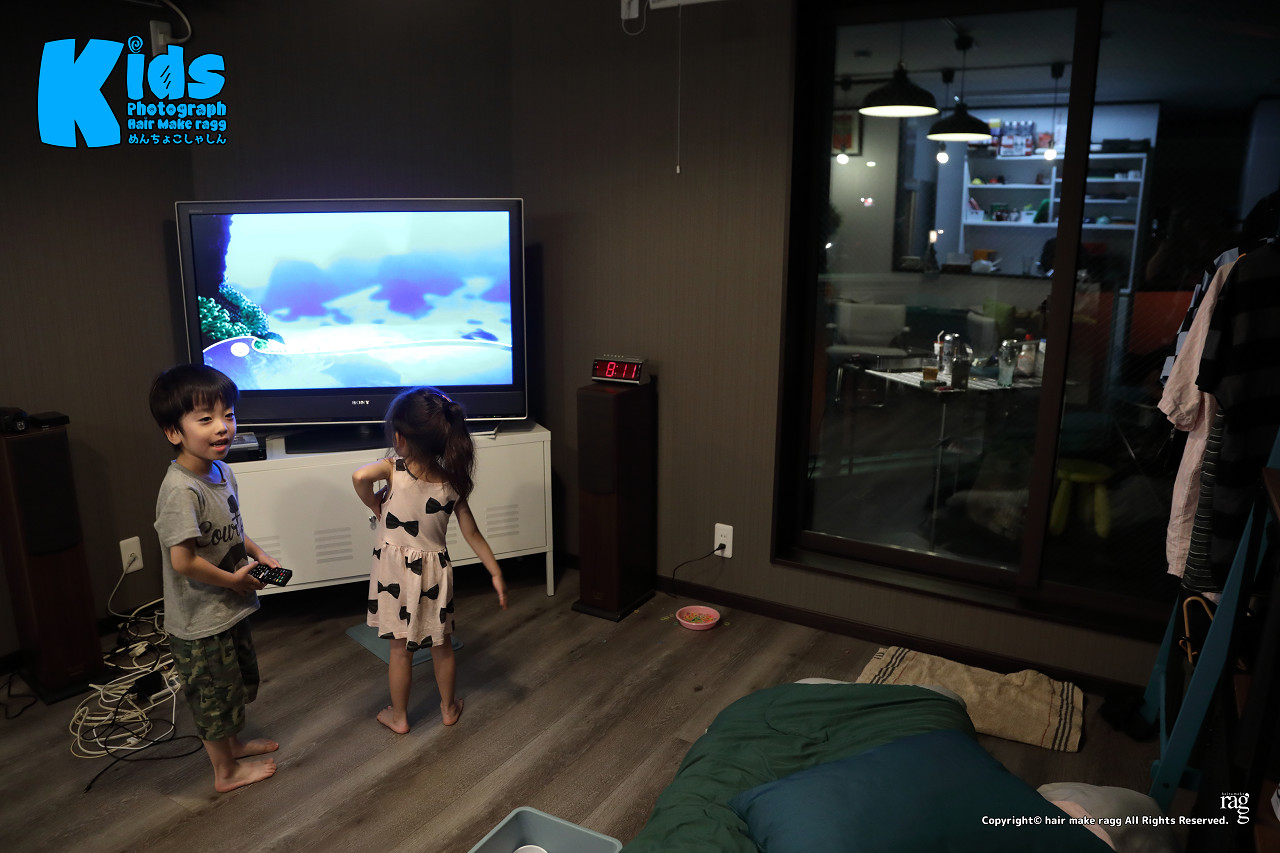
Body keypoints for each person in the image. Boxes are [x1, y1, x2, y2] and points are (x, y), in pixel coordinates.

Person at [149, 364, 282, 793]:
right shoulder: (180, 490)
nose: (222, 427)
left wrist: (258, 554)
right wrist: (233, 582)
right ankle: (224, 772)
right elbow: (183, 560)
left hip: (227, 606)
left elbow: (232, 528)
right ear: (174, 432)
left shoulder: (222, 472)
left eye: (228, 415)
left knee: (231, 685)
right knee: (212, 696)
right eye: (205, 419)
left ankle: (233, 746)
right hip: (199, 619)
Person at [352, 387, 508, 734]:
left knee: (399, 651)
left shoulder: (393, 469)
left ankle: (400, 717)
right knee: (442, 645)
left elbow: (359, 477)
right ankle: (448, 708)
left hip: (394, 572)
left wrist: (374, 505)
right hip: (435, 574)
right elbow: (473, 534)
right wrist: (495, 572)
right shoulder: (452, 484)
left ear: (399, 437)